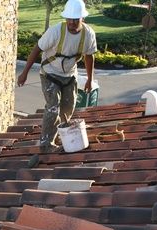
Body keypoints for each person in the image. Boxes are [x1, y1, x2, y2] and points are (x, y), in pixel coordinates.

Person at [17, 0, 97, 152]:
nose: (72, 22)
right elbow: (36, 49)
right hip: (50, 73)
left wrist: (89, 80)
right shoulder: (55, 32)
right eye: (69, 19)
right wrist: (24, 73)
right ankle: (46, 143)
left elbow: (89, 57)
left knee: (68, 107)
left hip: (69, 74)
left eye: (76, 19)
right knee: (53, 107)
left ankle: (61, 134)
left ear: (82, 19)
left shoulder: (88, 35)